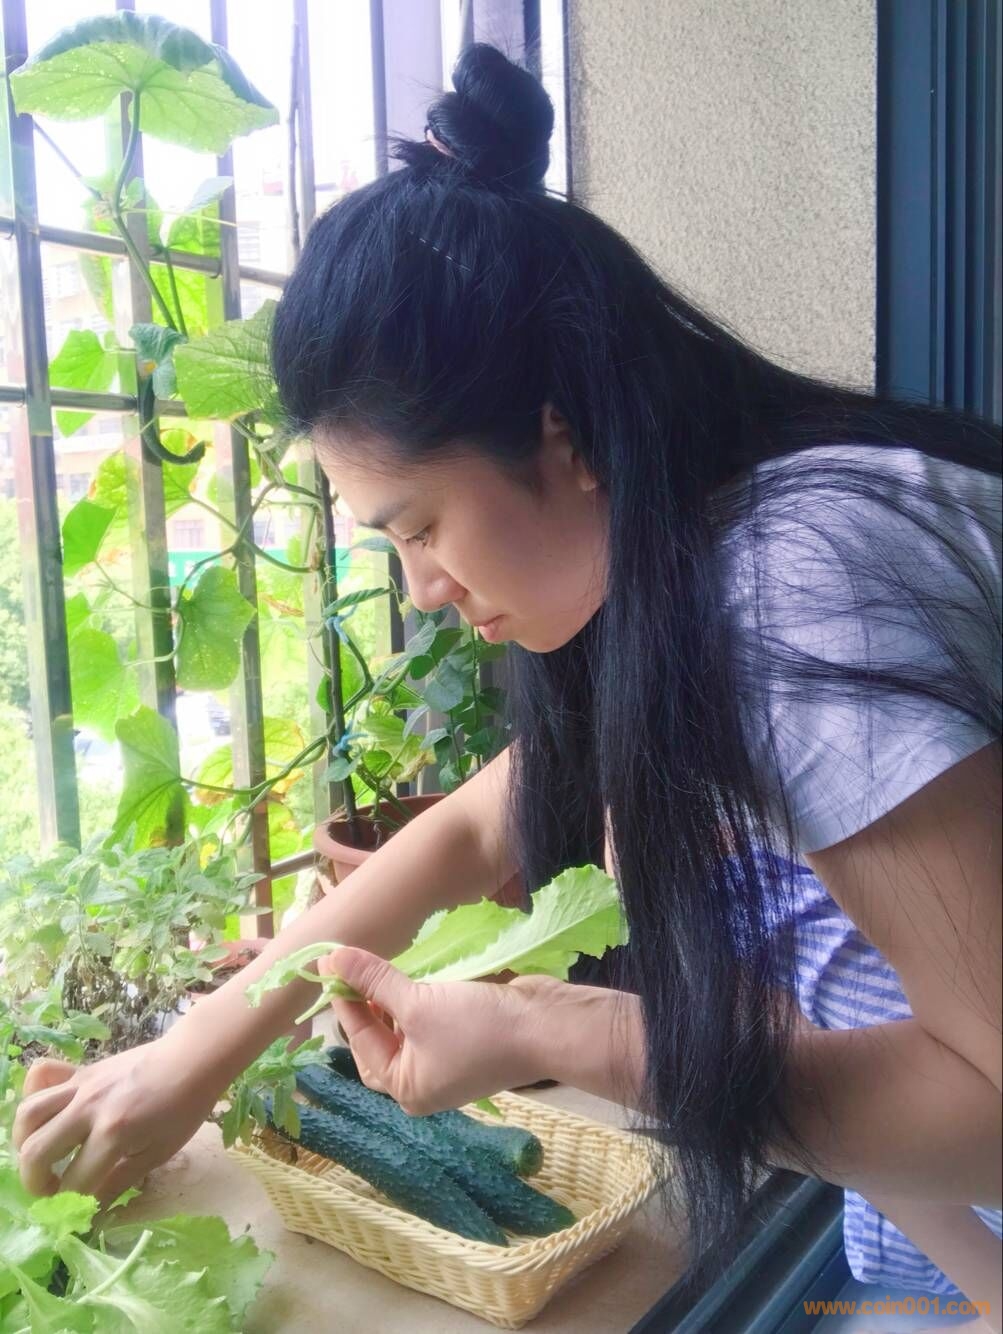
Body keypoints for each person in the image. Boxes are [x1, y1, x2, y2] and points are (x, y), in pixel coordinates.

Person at [14, 43, 1000, 1327]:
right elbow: (477, 824)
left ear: (560, 432)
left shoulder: (794, 595)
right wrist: (189, 1056)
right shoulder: (685, 549)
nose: (423, 587)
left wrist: (555, 1029)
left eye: (420, 526)